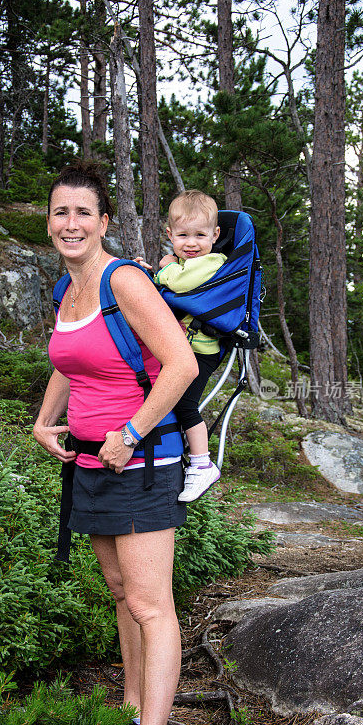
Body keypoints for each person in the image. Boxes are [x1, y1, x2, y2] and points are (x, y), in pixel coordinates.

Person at [33, 161, 198, 725]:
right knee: (120, 591)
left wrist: (130, 434)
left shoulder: (122, 280)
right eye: (60, 211)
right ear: (50, 222)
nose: (70, 223)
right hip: (91, 461)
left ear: (105, 222)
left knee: (152, 604)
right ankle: (131, 710)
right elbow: (69, 359)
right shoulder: (67, 289)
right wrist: (47, 420)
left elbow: (179, 365)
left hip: (142, 458)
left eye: (83, 212)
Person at [140, 190, 226, 503]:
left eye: (200, 235)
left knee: (185, 405)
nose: (191, 243)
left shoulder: (214, 262)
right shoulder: (181, 263)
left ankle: (203, 464)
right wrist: (149, 274)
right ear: (170, 234)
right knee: (167, 401)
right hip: (180, 350)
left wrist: (163, 267)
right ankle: (180, 457)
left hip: (201, 352)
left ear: (215, 236)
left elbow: (178, 283)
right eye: (183, 235)